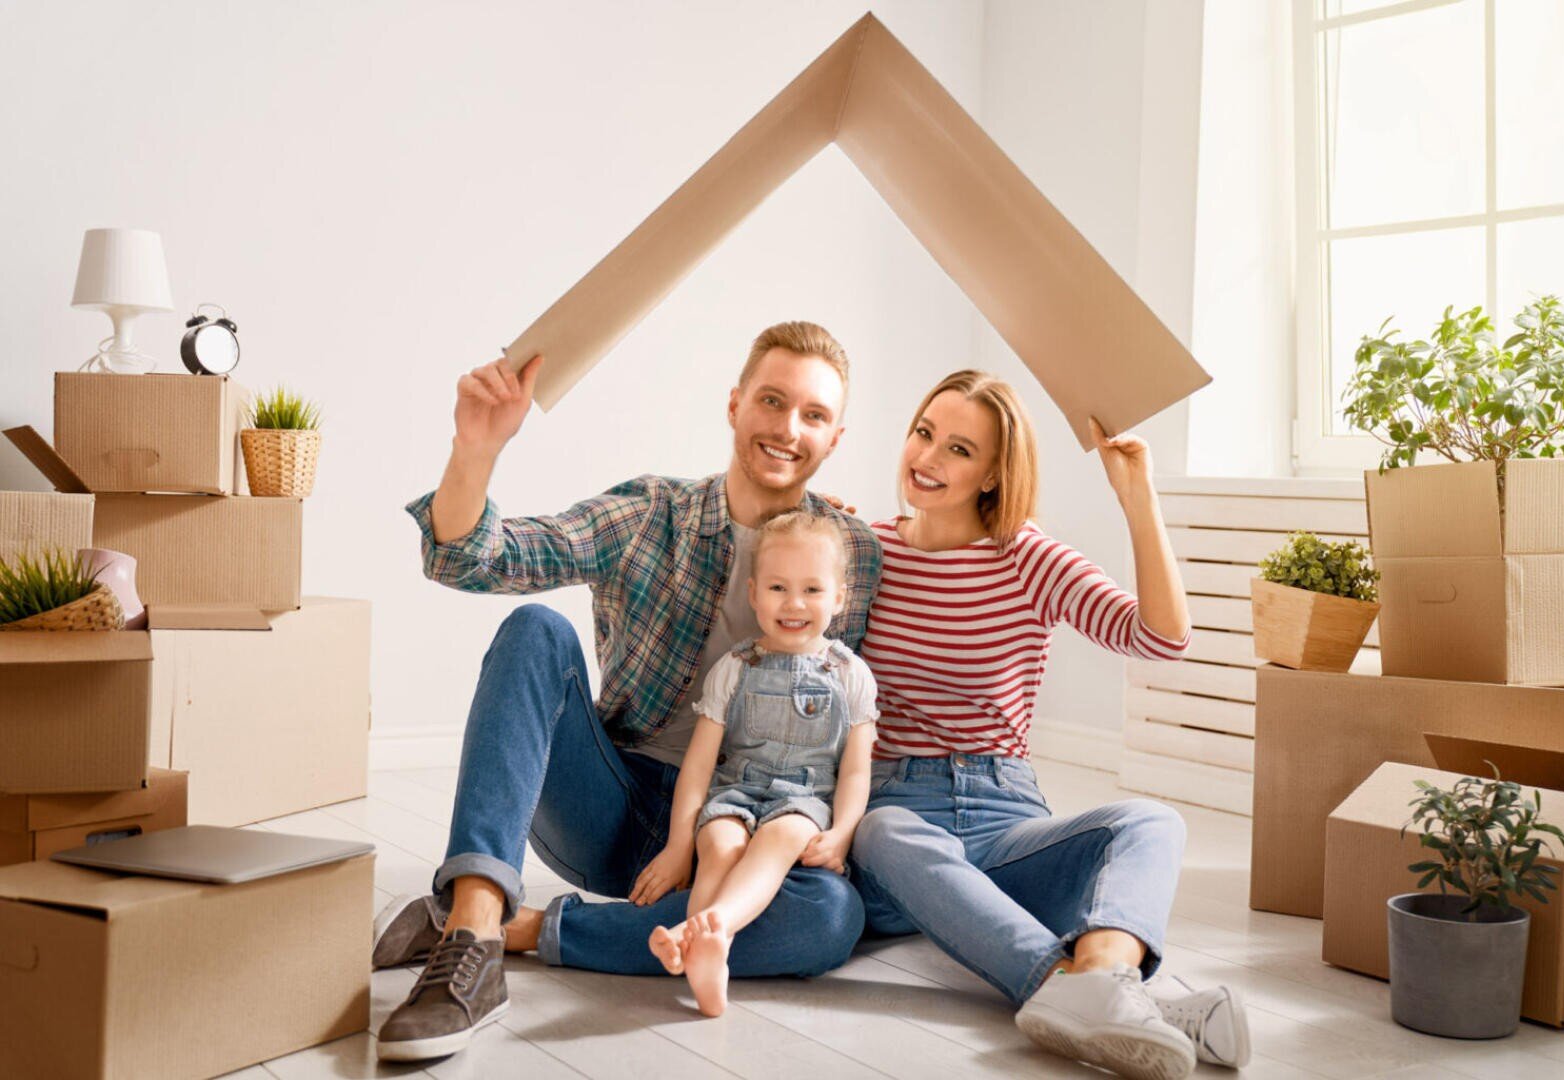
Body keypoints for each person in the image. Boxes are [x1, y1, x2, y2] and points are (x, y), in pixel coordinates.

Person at [372, 322, 881, 1062]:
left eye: (813, 415)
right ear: (735, 405)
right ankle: (475, 929)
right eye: (771, 401)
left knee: (831, 918)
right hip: (614, 807)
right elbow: (474, 559)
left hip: (749, 831)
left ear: (834, 439)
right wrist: (475, 449)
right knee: (536, 628)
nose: (787, 428)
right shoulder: (652, 513)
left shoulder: (855, 554)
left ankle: (523, 929)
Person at [849, 370, 1251, 1080]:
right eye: (923, 433)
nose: (928, 458)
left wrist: (1138, 498)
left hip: (1007, 818)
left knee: (1153, 823)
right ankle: (1105, 998)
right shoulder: (862, 550)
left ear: (994, 474)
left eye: (959, 449)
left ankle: (1099, 982)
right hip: (896, 821)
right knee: (883, 830)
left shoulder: (1026, 557)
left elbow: (1160, 639)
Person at [636, 510, 878, 1017]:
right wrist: (682, 844)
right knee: (721, 845)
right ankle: (709, 953)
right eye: (777, 588)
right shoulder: (734, 668)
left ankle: (704, 930)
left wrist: (843, 833)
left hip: (803, 799)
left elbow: (856, 771)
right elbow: (699, 766)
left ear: (840, 598)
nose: (793, 603)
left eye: (812, 590)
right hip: (736, 792)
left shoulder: (851, 674)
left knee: (780, 838)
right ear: (753, 593)